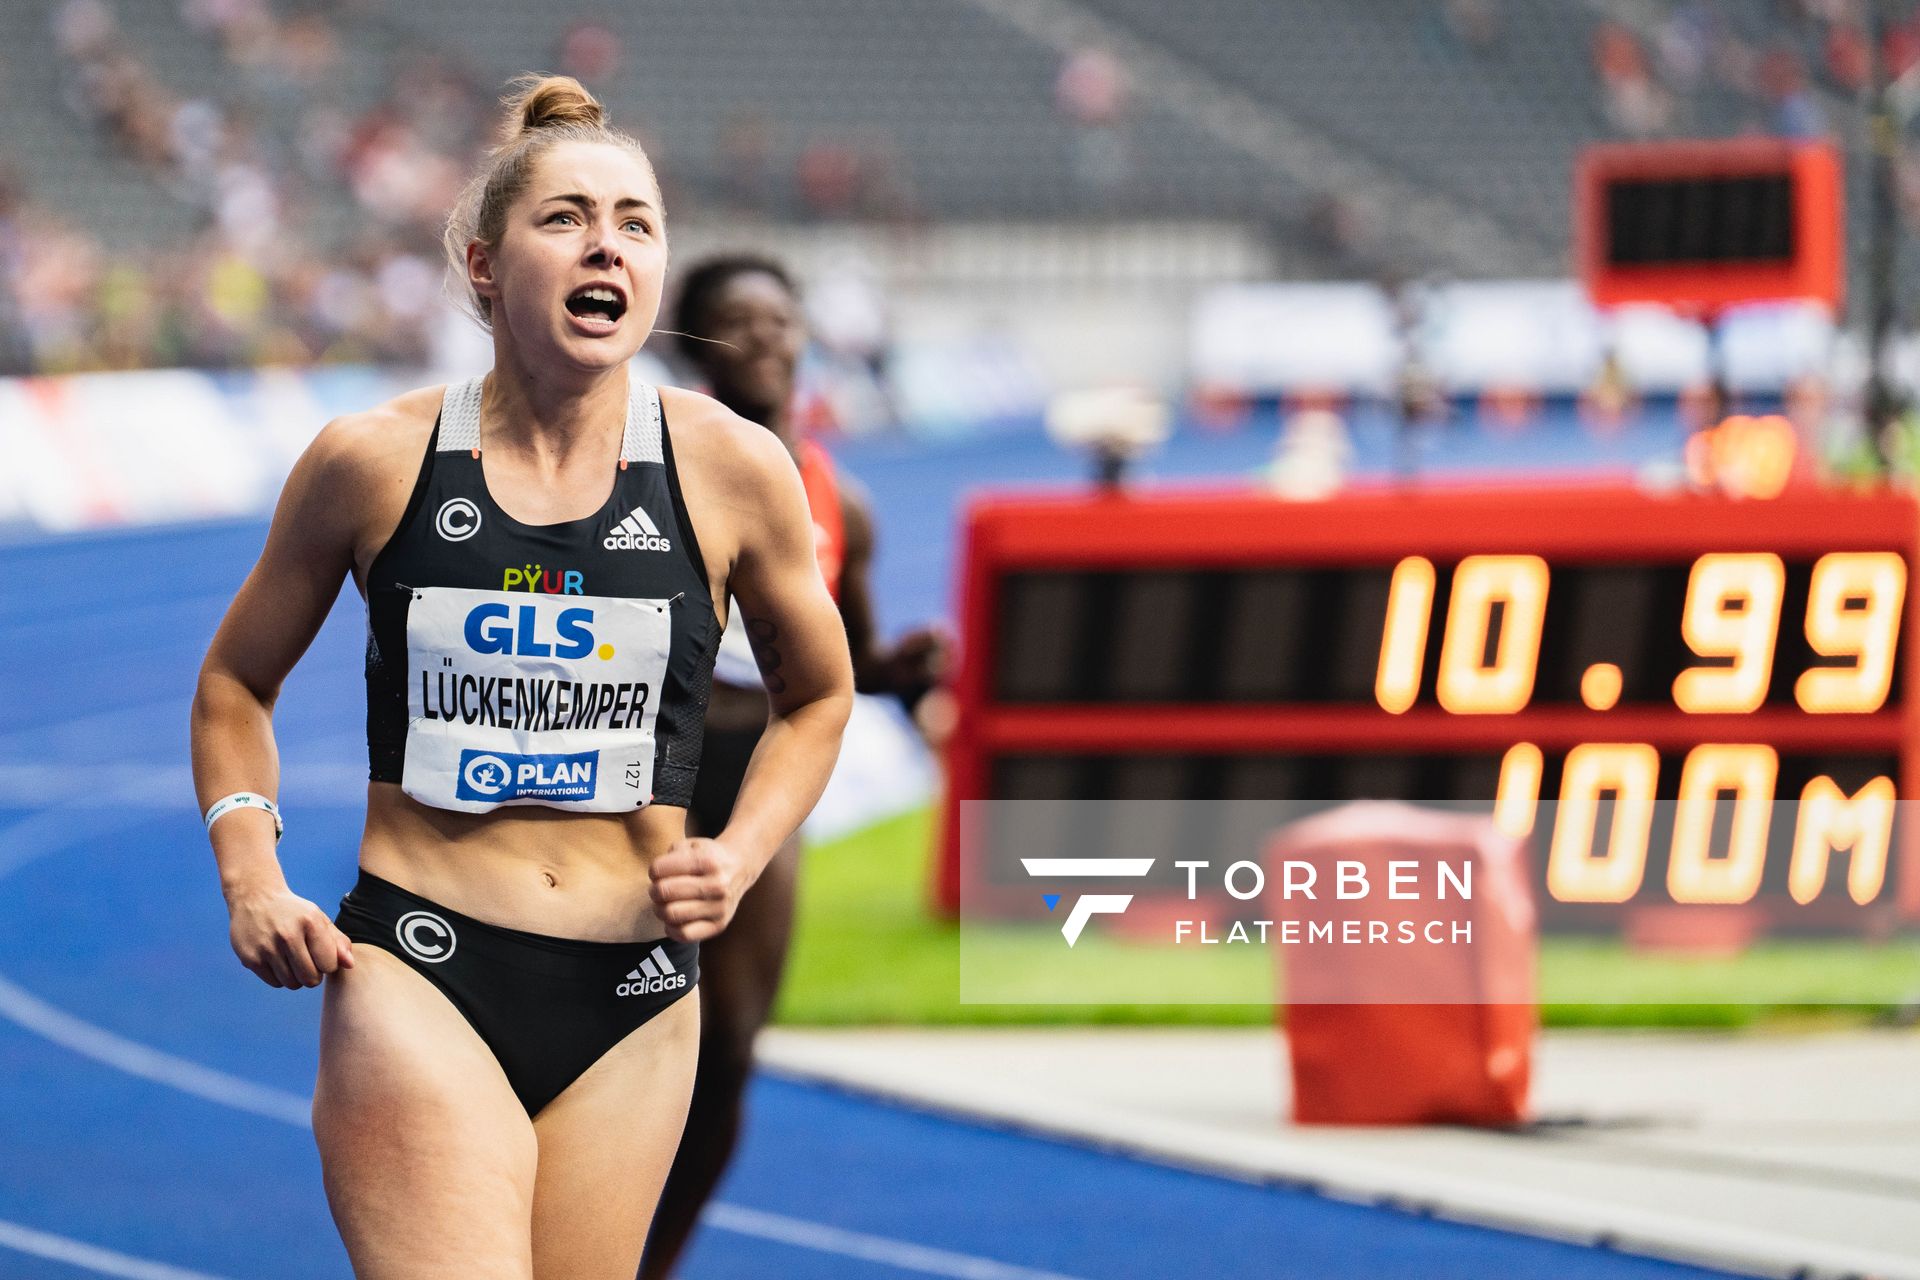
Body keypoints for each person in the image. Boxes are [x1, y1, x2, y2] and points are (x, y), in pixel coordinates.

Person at [188, 76, 853, 1280]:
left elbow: (820, 696)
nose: (608, 242)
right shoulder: (372, 462)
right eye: (568, 218)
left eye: (636, 222)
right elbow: (236, 680)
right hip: (424, 964)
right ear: (485, 264)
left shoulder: (735, 469)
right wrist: (251, 872)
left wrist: (742, 851)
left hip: (639, 988)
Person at [639, 254, 946, 1279]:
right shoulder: (644, 464)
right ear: (693, 344)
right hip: (648, 780)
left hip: (762, 791)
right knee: (615, 1034)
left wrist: (904, 668)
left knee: (728, 1051)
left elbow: (840, 663)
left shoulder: (837, 502)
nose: (767, 338)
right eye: (739, 321)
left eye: (782, 319)